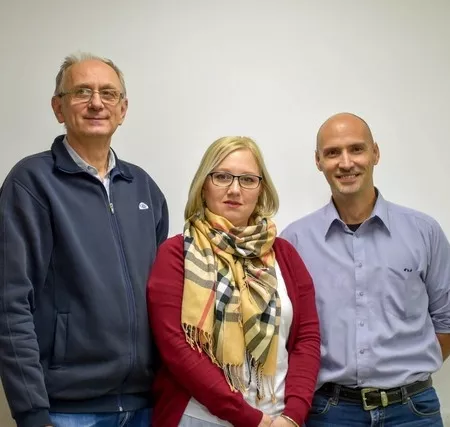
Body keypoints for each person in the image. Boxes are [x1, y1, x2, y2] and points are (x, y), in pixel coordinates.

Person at [0, 53, 169, 427]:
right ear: (58, 108)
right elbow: (10, 301)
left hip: (145, 405)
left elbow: (162, 298)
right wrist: (32, 411)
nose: (96, 103)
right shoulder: (31, 183)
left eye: (108, 93)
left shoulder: (144, 188)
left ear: (123, 109)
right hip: (66, 409)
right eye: (81, 92)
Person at [281, 112, 450, 426]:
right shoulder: (294, 242)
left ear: (375, 153)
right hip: (329, 412)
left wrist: (405, 376)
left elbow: (446, 319)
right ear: (318, 161)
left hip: (413, 412)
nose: (346, 163)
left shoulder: (424, 232)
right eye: (333, 153)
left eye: (356, 149)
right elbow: (288, 333)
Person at [147, 136, 321, 427]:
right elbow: (177, 348)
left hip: (280, 420)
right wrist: (250, 418)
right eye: (222, 177)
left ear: (261, 190)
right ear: (203, 186)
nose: (235, 189)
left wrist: (293, 415)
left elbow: (307, 338)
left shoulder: (285, 254)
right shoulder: (176, 253)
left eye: (248, 179)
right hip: (199, 419)